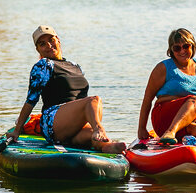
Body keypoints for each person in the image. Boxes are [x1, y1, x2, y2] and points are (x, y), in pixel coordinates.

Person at [9, 25, 126, 153]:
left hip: (73, 125)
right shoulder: (44, 65)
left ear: (58, 40)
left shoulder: (75, 66)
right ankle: (100, 129)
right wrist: (17, 130)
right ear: (38, 49)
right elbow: (31, 99)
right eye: (42, 44)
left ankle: (106, 146)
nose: (48, 45)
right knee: (94, 100)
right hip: (52, 121)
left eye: (51, 40)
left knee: (94, 131)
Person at [137, 28, 196, 145]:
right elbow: (147, 99)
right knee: (195, 100)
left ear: (192, 46)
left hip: (189, 118)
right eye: (177, 48)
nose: (182, 51)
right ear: (171, 50)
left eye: (186, 46)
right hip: (164, 117)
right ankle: (170, 132)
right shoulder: (163, 68)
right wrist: (141, 128)